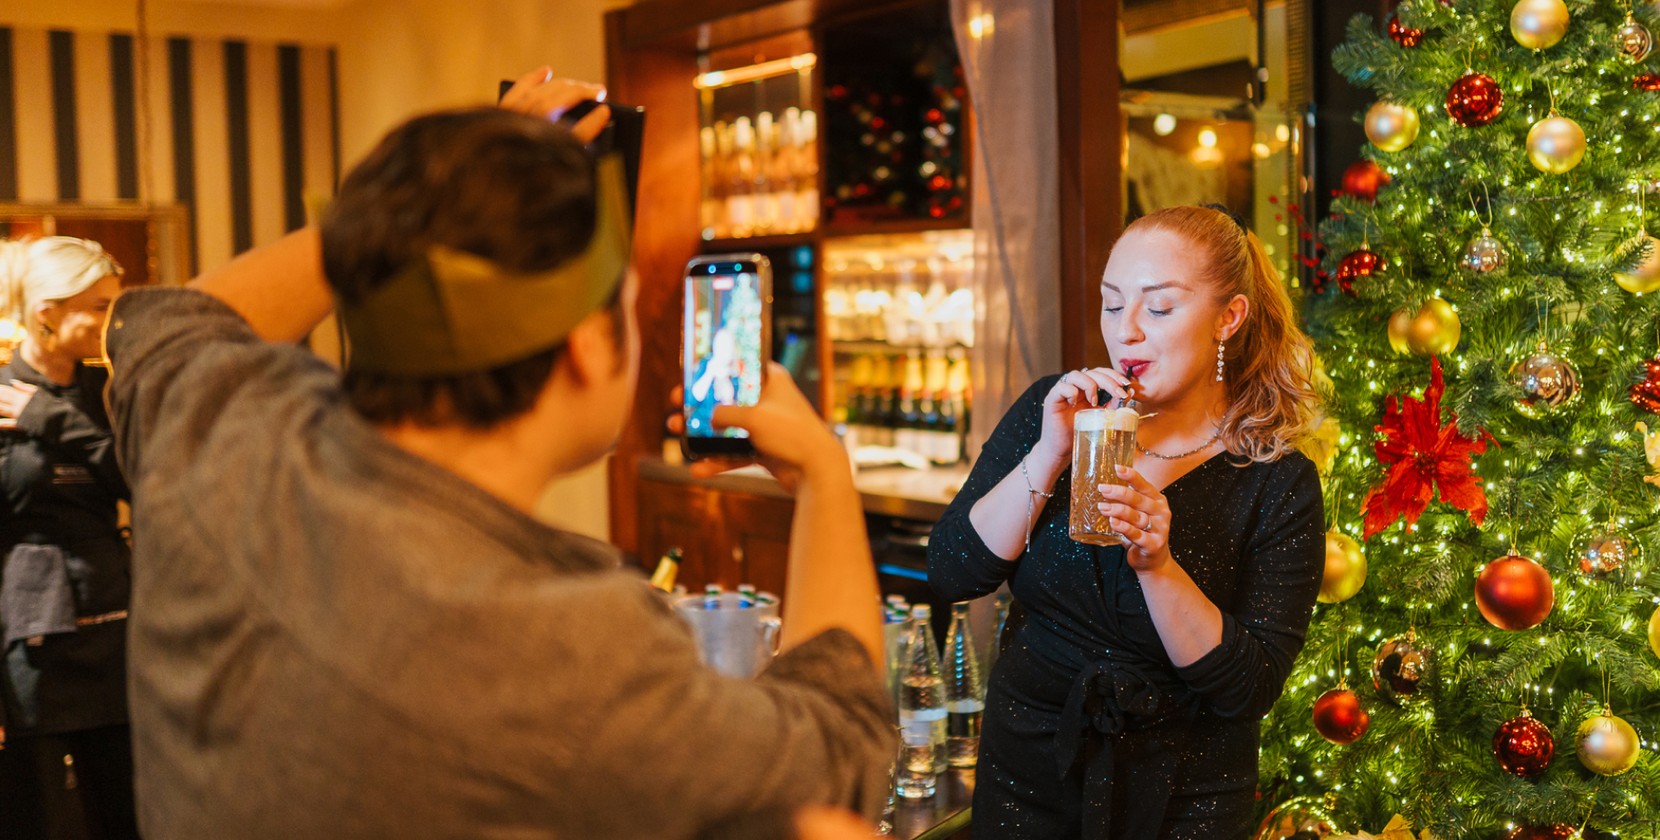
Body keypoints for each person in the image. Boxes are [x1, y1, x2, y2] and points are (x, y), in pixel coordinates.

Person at [99, 69, 892, 838]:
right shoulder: (564, 646)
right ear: (587, 345)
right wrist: (823, 475)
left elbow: (166, 321)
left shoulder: (226, 437)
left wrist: (426, 206)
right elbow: (839, 754)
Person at [928, 205, 1325, 839]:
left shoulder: (1275, 479)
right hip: (1027, 770)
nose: (1126, 331)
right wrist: (1050, 453)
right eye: (1112, 304)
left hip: (1182, 795)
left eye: (1158, 308)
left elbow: (1247, 689)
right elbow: (952, 572)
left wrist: (1158, 567)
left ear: (1228, 317)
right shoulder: (1058, 411)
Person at [0, 237, 138, 840]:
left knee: (125, 809)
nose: (112, 321)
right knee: (44, 815)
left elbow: (138, 480)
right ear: (47, 312)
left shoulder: (107, 392)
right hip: (33, 634)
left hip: (116, 619)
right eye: (100, 307)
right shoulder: (0, 393)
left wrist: (54, 421)